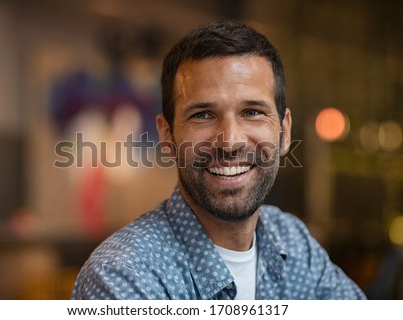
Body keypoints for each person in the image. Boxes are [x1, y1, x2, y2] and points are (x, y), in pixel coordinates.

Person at [72, 20, 366, 300]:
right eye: (202, 115)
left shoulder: (292, 241)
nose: (230, 141)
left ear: (284, 132)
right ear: (167, 136)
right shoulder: (123, 276)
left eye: (252, 111)